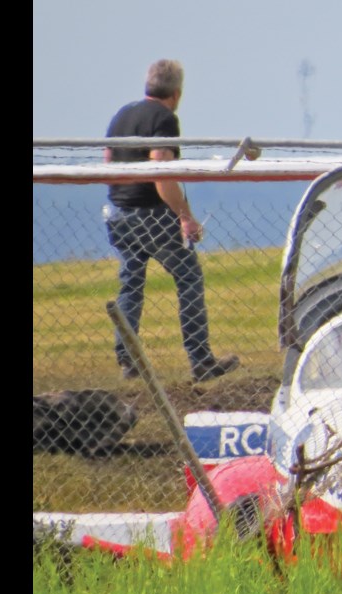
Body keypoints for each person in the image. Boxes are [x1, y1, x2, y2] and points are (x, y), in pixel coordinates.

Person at [104, 59, 238, 382]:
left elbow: (108, 161)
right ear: (176, 93)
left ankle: (128, 359)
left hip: (119, 213)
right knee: (189, 277)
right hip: (152, 214)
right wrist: (186, 218)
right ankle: (200, 358)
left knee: (131, 285)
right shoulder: (165, 119)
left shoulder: (122, 115)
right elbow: (162, 173)